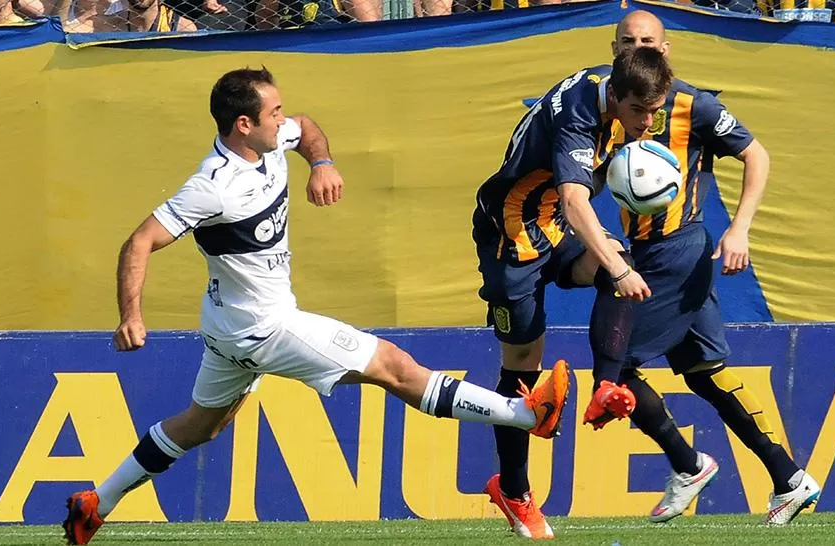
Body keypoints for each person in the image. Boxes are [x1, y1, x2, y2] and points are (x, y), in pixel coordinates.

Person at [61, 67, 570, 546]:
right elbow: (140, 241)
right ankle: (524, 413)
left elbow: (306, 129)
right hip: (265, 328)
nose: (284, 119)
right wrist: (131, 316)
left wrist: (321, 162)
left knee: (199, 424)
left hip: (226, 327)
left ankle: (96, 503)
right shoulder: (213, 187)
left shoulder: (273, 138)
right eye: (273, 112)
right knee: (393, 367)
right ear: (244, 125)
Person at [596, 10, 820, 525]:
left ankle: (687, 464)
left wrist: (739, 228)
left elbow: (756, 155)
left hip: (675, 252)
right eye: (627, 41)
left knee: (617, 368)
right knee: (705, 375)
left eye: (647, 41)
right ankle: (789, 478)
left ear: (666, 48)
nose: (636, 48)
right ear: (613, 47)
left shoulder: (694, 105)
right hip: (644, 250)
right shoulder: (606, 100)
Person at [473, 48, 674, 539]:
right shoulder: (579, 119)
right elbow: (573, 197)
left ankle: (607, 385)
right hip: (513, 236)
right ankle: (514, 489)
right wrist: (614, 265)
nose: (647, 123)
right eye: (638, 112)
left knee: (616, 264)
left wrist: (613, 261)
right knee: (522, 366)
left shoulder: (615, 86)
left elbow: (572, 202)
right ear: (615, 95)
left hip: (554, 226)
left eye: (655, 111)